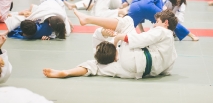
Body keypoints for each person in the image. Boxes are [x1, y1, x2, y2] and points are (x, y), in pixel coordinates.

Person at [43, 9, 178, 79]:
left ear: (166, 23)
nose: (155, 24)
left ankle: (87, 18)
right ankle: (65, 73)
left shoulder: (163, 31)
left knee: (128, 21)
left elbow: (140, 40)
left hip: (133, 63)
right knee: (97, 65)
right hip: (140, 72)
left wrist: (120, 37)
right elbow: (167, 70)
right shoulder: (172, 51)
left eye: (158, 21)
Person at [119, 0, 199, 41]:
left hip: (134, 6)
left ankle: (117, 39)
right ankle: (191, 35)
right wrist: (165, 16)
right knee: (169, 19)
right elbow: (160, 6)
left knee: (127, 26)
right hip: (147, 5)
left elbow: (139, 14)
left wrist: (142, 31)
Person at [0, 0, 71, 39]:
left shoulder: (63, 16)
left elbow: (65, 32)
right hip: (48, 2)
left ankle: (68, 21)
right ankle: (26, 10)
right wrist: (5, 33)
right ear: (50, 24)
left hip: (60, 5)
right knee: (30, 11)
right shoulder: (38, 15)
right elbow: (22, 22)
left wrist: (49, 36)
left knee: (67, 30)